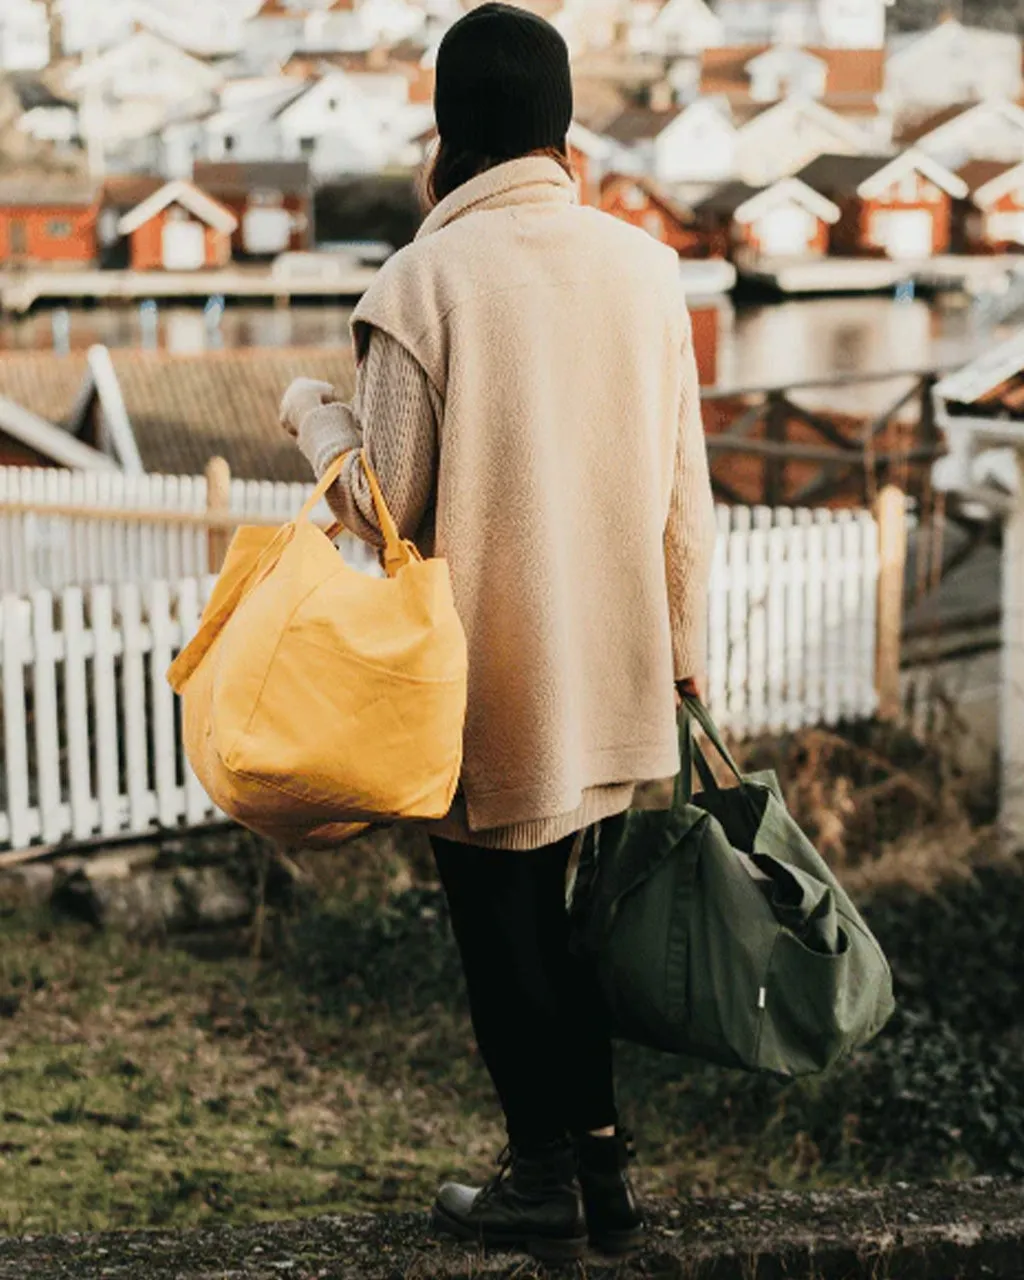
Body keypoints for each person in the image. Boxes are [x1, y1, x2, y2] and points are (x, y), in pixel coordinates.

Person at [279, 2, 716, 1262]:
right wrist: (686, 653)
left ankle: (542, 1180)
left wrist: (311, 416)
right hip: (619, 667)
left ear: (446, 129)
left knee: (502, 930)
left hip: (490, 677)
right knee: (569, 926)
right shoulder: (646, 269)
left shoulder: (424, 282)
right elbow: (685, 494)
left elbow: (382, 504)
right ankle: (604, 1175)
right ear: (561, 126)